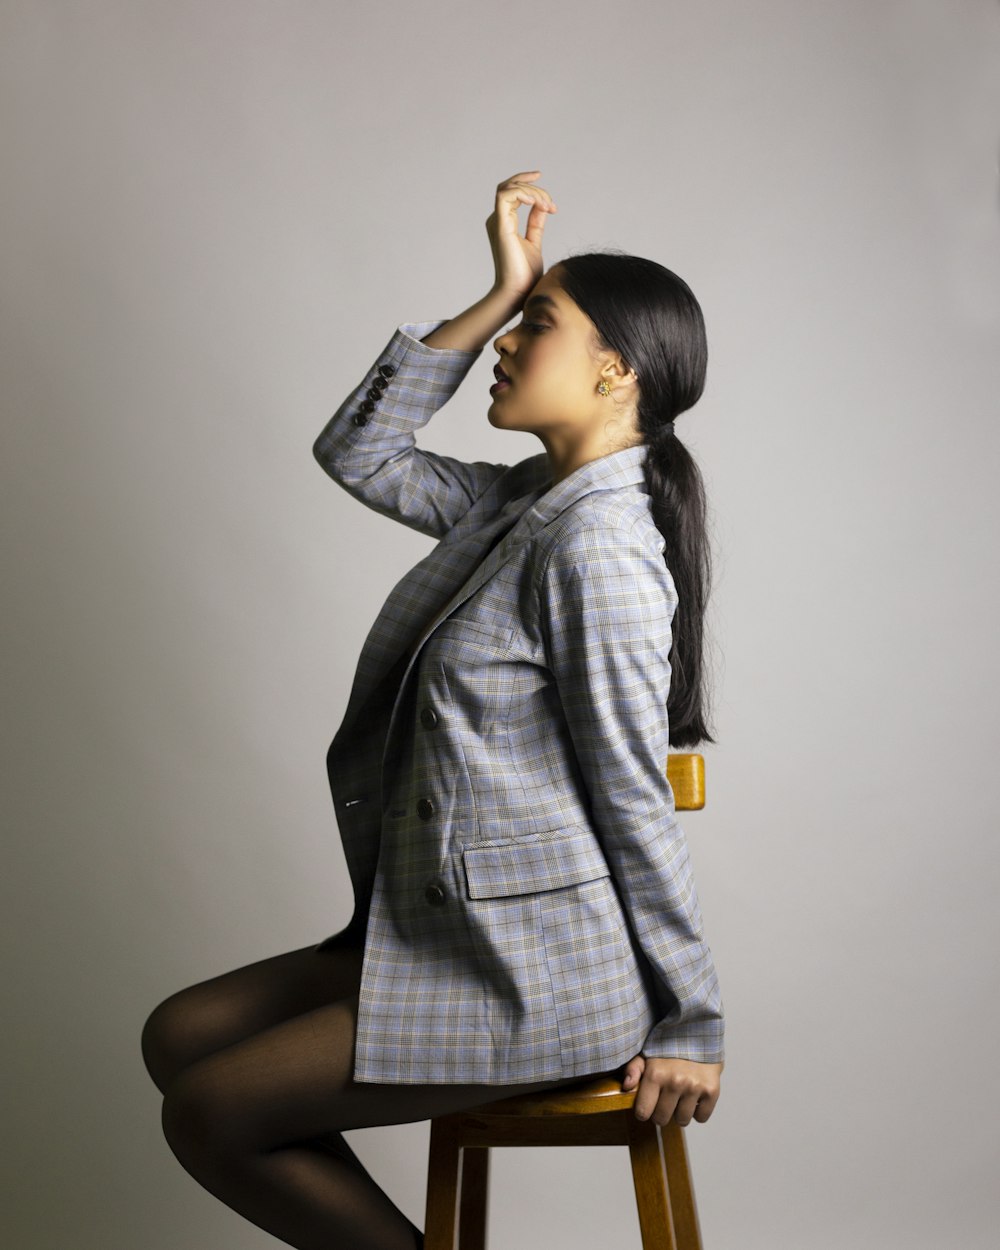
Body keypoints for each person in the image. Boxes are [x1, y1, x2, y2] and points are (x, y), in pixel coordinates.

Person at [140, 169, 725, 1250]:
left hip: (536, 972)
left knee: (212, 1108)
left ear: (614, 367)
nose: (505, 347)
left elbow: (631, 797)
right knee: (181, 1033)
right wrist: (503, 287)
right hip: (449, 931)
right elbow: (357, 451)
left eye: (533, 327)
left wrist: (691, 1019)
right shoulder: (518, 503)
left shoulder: (597, 547)